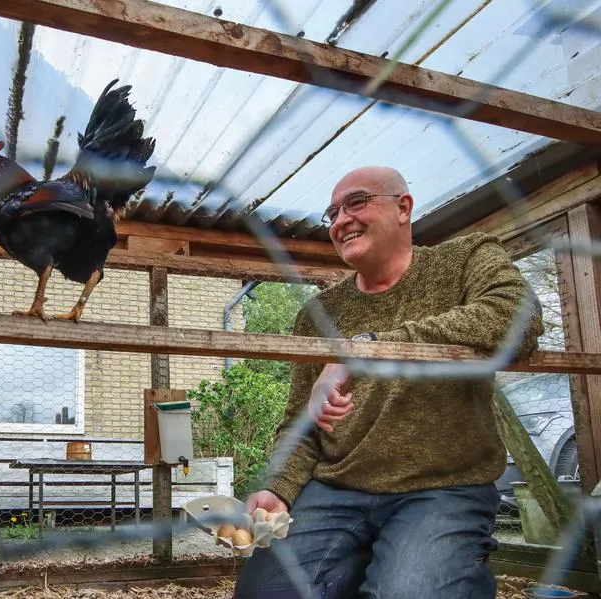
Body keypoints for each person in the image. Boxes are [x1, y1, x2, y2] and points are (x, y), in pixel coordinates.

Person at [233, 166, 544, 599]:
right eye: (333, 213)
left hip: (443, 488)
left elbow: (519, 317)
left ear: (404, 208)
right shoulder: (317, 314)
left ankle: (449, 569)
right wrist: (277, 488)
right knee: (264, 594)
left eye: (357, 202)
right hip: (337, 488)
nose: (341, 221)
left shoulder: (466, 259)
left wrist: (362, 351)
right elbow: (301, 423)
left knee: (411, 590)